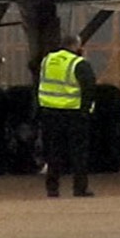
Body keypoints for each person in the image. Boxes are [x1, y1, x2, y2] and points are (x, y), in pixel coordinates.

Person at [38, 33, 95, 198]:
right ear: (76, 46)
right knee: (78, 153)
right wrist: (86, 111)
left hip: (50, 112)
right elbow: (89, 88)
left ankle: (52, 188)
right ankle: (80, 188)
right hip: (74, 113)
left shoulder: (47, 60)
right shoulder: (78, 63)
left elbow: (40, 83)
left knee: (54, 152)